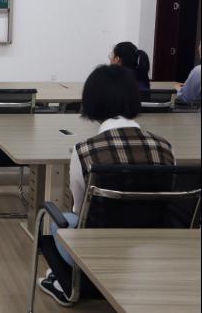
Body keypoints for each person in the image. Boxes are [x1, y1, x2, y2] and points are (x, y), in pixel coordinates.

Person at [37, 64, 175, 306]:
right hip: (154, 253)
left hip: (96, 254)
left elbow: (80, 208)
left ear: (91, 102)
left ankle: (68, 283)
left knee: (64, 220)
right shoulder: (165, 148)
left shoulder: (84, 151)